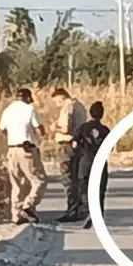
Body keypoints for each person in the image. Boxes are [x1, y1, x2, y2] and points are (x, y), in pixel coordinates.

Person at [0, 88, 48, 224]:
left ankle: (16, 214)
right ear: (27, 98)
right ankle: (28, 204)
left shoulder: (7, 110)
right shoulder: (29, 110)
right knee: (39, 180)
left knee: (17, 183)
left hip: (12, 149)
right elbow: (40, 128)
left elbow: (3, 129)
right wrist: (39, 134)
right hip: (27, 149)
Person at [51, 87, 88, 222]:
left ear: (61, 97)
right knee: (77, 177)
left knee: (68, 179)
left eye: (56, 101)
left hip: (67, 145)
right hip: (78, 145)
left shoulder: (67, 108)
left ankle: (72, 210)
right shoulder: (80, 107)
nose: (56, 105)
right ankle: (80, 209)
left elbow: (66, 129)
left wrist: (55, 128)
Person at [74, 101, 111, 230]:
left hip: (86, 162)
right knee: (100, 190)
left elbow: (75, 144)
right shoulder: (105, 130)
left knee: (84, 187)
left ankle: (88, 209)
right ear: (102, 114)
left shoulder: (83, 128)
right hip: (100, 163)